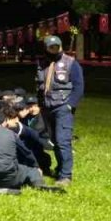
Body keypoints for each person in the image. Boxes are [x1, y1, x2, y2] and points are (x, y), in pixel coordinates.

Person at [36, 35, 82, 187]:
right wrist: (39, 104)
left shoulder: (71, 63)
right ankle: (60, 168)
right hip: (46, 108)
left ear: (61, 46)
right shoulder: (41, 63)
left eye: (57, 46)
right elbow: (39, 86)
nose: (54, 49)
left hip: (62, 107)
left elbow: (79, 86)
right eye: (51, 47)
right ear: (46, 48)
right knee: (54, 141)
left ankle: (65, 176)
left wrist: (70, 105)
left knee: (63, 141)